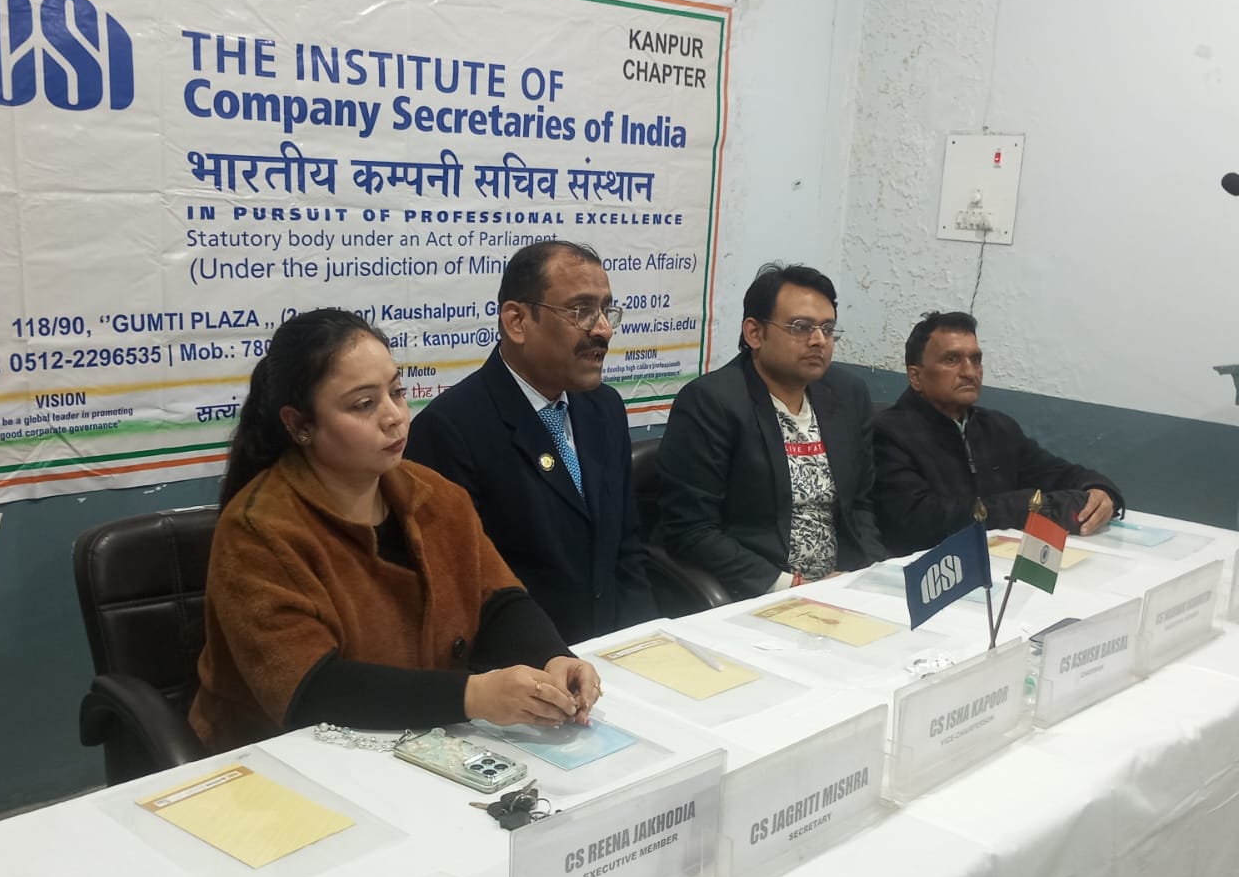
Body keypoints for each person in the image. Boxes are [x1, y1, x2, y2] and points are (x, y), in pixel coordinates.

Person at [188, 307, 601, 753]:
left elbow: (496, 600)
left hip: (416, 736)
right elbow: (311, 689)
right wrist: (473, 696)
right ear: (300, 425)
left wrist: (552, 656)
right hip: (282, 755)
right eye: (364, 404)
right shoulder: (256, 531)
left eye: (397, 392)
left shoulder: (436, 495)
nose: (395, 416)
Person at [405, 240, 656, 644]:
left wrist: (645, 641)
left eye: (606, 310)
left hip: (615, 651)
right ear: (517, 321)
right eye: (581, 311)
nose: (603, 329)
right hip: (527, 663)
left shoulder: (604, 407)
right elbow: (461, 594)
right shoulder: (450, 429)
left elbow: (626, 550)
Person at [656, 263, 886, 600]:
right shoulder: (711, 402)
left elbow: (860, 505)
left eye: (827, 329)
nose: (819, 340)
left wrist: (870, 574)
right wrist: (792, 587)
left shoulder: (848, 394)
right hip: (761, 591)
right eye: (801, 327)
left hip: (843, 585)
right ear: (754, 333)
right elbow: (691, 530)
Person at [871, 310, 1124, 556]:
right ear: (915, 376)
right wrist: (1026, 508)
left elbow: (1059, 473)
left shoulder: (997, 427)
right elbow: (921, 521)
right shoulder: (888, 434)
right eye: (951, 360)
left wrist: (1101, 491)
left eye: (976, 360)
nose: (970, 372)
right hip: (923, 571)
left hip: (998, 563)